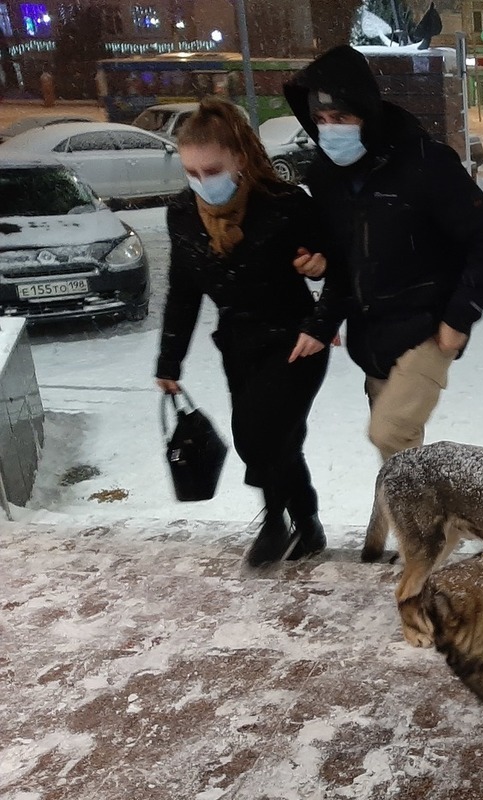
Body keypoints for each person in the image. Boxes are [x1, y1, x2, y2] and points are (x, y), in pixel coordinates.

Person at [283, 45, 483, 462]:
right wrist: (321, 316)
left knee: (390, 433)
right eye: (320, 119)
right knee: (401, 467)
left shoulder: (426, 164)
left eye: (341, 118)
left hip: (427, 331)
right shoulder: (326, 177)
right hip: (372, 340)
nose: (329, 129)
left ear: (367, 115)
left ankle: (440, 523)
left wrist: (459, 317)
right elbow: (343, 262)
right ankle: (416, 527)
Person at [155, 98, 342, 567]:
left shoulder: (285, 205)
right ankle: (306, 522)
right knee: (277, 439)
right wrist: (169, 361)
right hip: (238, 345)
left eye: (212, 169)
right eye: (191, 172)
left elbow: (339, 264)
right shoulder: (182, 215)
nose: (202, 182)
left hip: (296, 340)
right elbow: (183, 290)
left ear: (239, 158)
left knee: (255, 434)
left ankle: (277, 522)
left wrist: (320, 273)